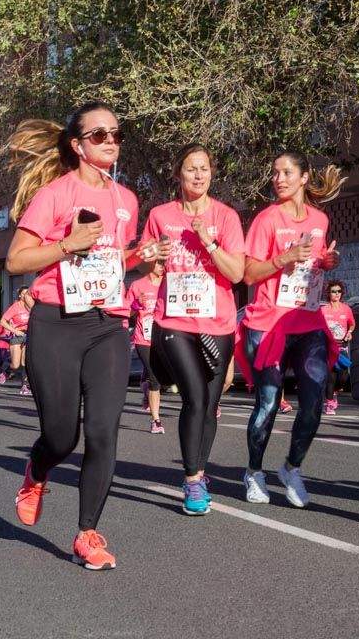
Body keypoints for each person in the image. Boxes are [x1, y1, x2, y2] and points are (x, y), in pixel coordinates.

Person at [5, 105, 140, 571]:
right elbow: (16, 261)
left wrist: (144, 256)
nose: (110, 140)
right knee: (62, 435)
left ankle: (87, 533)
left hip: (108, 324)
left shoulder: (128, 199)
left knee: (103, 433)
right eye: (99, 134)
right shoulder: (54, 195)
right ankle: (37, 470)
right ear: (78, 145)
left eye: (116, 134)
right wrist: (67, 244)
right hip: (56, 322)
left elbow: (114, 260)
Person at [140, 143, 247, 514]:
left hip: (217, 322)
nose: (198, 175)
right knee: (196, 397)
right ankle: (192, 480)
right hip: (173, 321)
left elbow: (236, 273)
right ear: (178, 174)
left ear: (211, 174)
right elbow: (144, 261)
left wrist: (209, 242)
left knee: (211, 404)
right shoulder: (159, 215)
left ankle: (199, 470)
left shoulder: (227, 217)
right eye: (190, 169)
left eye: (204, 169)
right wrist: (152, 255)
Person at [240, 151, 343, 508]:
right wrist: (284, 258)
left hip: (309, 321)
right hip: (269, 324)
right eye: (275, 173)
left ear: (304, 177)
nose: (279, 179)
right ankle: (254, 472)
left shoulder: (320, 219)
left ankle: (291, 468)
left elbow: (315, 269)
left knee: (313, 403)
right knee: (268, 404)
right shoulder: (266, 220)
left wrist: (326, 262)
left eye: (286, 172)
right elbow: (248, 274)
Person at [127, 261, 165, 434]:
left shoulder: (169, 283)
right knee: (155, 378)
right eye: (159, 263)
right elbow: (126, 312)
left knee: (163, 377)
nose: (162, 266)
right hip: (144, 339)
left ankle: (146, 389)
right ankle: (156, 421)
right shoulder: (137, 285)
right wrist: (136, 304)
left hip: (164, 337)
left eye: (165, 263)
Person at [320, 281, 355, 416]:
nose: (337, 294)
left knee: (343, 377)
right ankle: (329, 403)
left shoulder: (346, 309)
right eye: (334, 291)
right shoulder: (323, 310)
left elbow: (351, 324)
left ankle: (334, 392)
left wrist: (349, 332)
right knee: (331, 377)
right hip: (328, 347)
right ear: (328, 293)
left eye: (339, 291)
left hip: (342, 347)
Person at [0, 287, 34, 394]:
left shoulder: (32, 306)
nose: (27, 295)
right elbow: (3, 321)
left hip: (29, 335)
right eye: (24, 293)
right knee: (16, 364)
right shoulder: (15, 307)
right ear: (20, 296)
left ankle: (24, 386)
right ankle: (7, 371)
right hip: (17, 335)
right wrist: (14, 330)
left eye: (28, 293)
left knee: (25, 362)